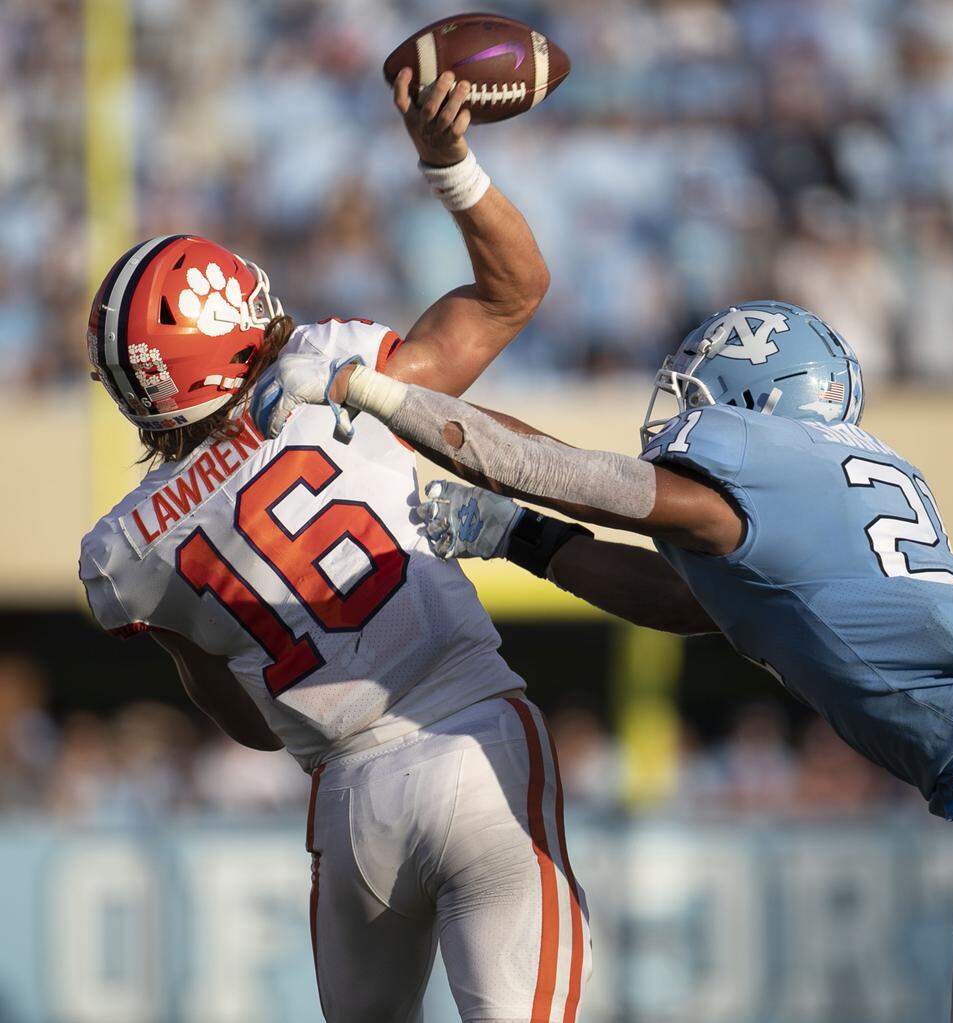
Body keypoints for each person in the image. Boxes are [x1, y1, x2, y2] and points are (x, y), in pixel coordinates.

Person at [254, 299, 953, 1022]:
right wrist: (520, 534)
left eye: (704, 395)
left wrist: (376, 395)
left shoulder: (767, 465)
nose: (684, 417)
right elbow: (686, 605)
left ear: (759, 404)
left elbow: (567, 471)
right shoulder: (829, 482)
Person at [79, 69, 589, 1023]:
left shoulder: (126, 549)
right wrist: (450, 165)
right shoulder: (329, 373)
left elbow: (241, 718)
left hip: (351, 803)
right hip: (476, 739)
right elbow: (516, 291)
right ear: (233, 316)